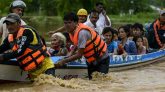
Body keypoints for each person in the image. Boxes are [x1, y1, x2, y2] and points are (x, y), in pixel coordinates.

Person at [0, 13, 55, 80]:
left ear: (19, 23)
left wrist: (3, 57)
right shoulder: (9, 38)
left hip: (45, 67)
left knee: (48, 86)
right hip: (33, 72)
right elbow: (1, 48)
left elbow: (20, 52)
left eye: (12, 24)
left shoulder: (27, 32)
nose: (9, 27)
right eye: (7, 24)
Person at [55, 12, 109, 80]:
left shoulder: (82, 32)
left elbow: (79, 55)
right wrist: (71, 52)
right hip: (90, 59)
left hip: (102, 58)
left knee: (101, 81)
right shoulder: (72, 31)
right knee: (92, 81)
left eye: (69, 23)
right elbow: (76, 43)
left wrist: (64, 61)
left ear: (76, 23)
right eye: (65, 23)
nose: (67, 25)